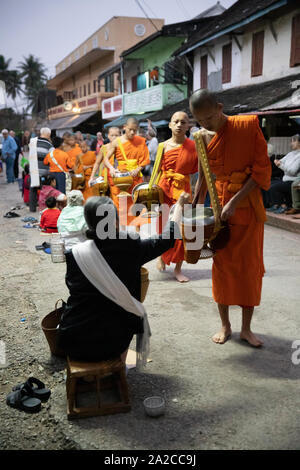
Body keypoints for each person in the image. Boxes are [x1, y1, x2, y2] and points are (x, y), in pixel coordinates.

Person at [56, 192, 187, 363]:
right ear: (115, 222)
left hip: (72, 339)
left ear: (88, 222)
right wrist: (179, 207)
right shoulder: (131, 247)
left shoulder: (75, 255)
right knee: (123, 315)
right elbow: (167, 239)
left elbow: (73, 288)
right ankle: (117, 367)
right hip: (114, 343)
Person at [190, 89, 271, 347]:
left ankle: (247, 329)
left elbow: (260, 171)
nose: (205, 125)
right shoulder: (201, 137)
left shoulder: (247, 126)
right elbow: (203, 177)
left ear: (220, 107)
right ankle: (225, 325)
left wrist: (234, 202)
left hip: (245, 207)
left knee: (249, 270)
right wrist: (194, 207)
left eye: (209, 119)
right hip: (218, 209)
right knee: (222, 269)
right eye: (200, 121)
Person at [156, 112, 198, 283]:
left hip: (184, 191)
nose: (179, 124)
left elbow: (198, 173)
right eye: (176, 121)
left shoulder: (194, 146)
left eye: (183, 122)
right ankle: (161, 255)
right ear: (170, 125)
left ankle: (178, 268)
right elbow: (157, 171)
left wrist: (194, 193)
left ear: (188, 125)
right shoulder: (162, 146)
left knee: (182, 229)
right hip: (164, 189)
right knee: (163, 227)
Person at [103, 118, 150, 226]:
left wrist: (138, 169)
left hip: (136, 178)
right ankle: (123, 231)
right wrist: (112, 168)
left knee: (137, 204)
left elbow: (145, 160)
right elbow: (106, 159)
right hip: (122, 179)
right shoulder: (117, 142)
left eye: (135, 130)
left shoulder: (141, 141)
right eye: (130, 129)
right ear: (124, 127)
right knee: (122, 206)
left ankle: (138, 230)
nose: (132, 132)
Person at [267, 134, 300, 214]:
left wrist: (281, 165)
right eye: (291, 141)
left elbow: (292, 171)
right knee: (269, 183)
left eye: (294, 141)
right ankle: (276, 205)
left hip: (293, 181)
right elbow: (280, 161)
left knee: (275, 187)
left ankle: (283, 206)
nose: (291, 143)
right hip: (285, 179)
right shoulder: (290, 154)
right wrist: (282, 165)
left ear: (299, 143)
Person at [28, 127, 54, 212]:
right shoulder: (49, 145)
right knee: (45, 189)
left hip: (33, 169)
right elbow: (52, 157)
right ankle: (44, 207)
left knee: (33, 189)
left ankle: (32, 208)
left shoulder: (32, 142)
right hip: (44, 170)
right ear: (49, 135)